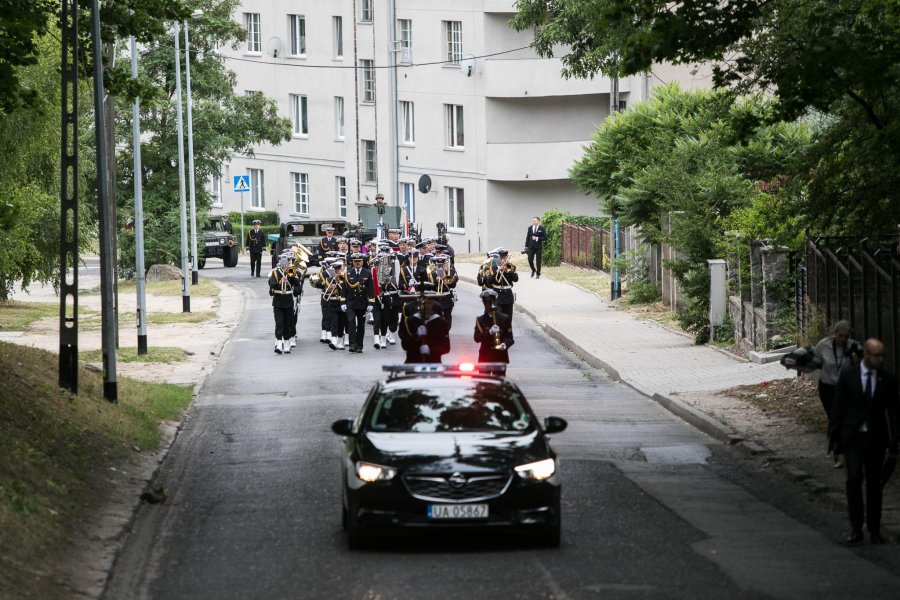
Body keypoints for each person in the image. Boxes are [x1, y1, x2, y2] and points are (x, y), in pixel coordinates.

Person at [828, 338, 900, 545]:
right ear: (866, 355)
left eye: (883, 355)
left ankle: (874, 528)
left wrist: (895, 438)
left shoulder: (887, 379)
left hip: (876, 438)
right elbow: (838, 407)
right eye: (877, 355)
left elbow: (894, 410)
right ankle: (856, 527)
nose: (881, 359)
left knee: (875, 484)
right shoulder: (849, 376)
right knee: (854, 478)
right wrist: (834, 438)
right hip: (853, 437)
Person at [814, 321, 859, 467]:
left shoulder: (853, 346)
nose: (843, 339)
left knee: (845, 418)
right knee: (834, 417)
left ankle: (845, 449)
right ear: (835, 334)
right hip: (827, 387)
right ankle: (838, 454)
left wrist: (855, 359)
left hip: (844, 388)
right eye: (840, 336)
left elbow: (864, 363)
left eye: (846, 336)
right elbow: (815, 360)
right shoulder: (824, 345)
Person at [399, 290, 451, 364]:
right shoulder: (411, 321)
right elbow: (405, 346)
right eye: (423, 303)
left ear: (433, 304)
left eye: (429, 303)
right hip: (413, 363)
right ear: (419, 305)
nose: (426, 306)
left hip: (433, 364)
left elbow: (446, 348)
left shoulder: (440, 323)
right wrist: (416, 335)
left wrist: (430, 350)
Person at [268, 255, 301, 354]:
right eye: (283, 265)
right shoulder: (275, 272)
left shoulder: (291, 272)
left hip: (288, 301)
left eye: (286, 264)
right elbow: (271, 284)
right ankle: (278, 343)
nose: (285, 266)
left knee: (288, 323)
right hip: (278, 301)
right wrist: (279, 282)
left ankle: (286, 344)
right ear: (280, 264)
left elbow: (298, 286)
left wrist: (293, 277)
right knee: (279, 323)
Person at [343, 252, 375, 353]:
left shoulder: (367, 273)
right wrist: (342, 302)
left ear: (362, 262)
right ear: (352, 262)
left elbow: (371, 289)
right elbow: (344, 289)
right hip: (351, 303)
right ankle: (352, 344)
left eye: (359, 261)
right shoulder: (348, 273)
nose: (357, 263)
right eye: (355, 261)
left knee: (361, 325)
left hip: (362, 303)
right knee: (351, 322)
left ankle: (360, 345)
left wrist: (371, 303)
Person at [474, 289, 514, 363]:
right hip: (485, 356)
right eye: (486, 302)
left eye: (490, 302)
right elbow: (477, 338)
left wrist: (505, 345)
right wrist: (489, 332)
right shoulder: (480, 319)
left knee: (499, 375)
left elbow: (510, 339)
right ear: (483, 303)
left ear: (495, 302)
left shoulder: (504, 318)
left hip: (500, 356)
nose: (488, 305)